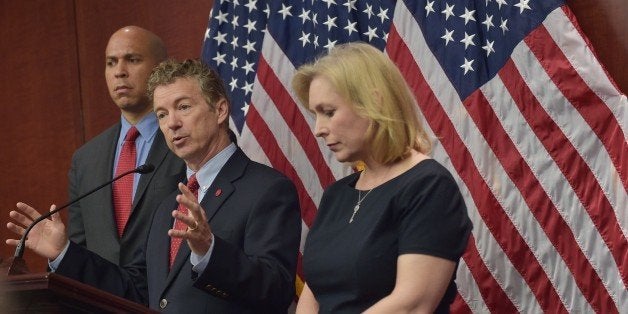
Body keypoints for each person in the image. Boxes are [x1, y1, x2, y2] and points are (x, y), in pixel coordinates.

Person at [6, 59, 301, 313]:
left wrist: (210, 251)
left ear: (221, 110)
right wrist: (64, 253)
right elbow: (136, 291)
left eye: (183, 107)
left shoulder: (267, 189)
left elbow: (275, 292)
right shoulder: (168, 205)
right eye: (162, 114)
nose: (172, 123)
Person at [291, 42, 472, 313]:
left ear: (374, 102)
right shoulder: (336, 195)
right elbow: (314, 292)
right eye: (315, 114)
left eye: (329, 112)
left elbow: (412, 305)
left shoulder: (428, 186)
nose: (319, 129)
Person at [68, 25, 185, 267]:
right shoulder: (85, 159)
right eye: (111, 62)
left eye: (132, 60)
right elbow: (80, 246)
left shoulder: (187, 141)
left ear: (160, 69)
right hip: (103, 299)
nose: (119, 72)